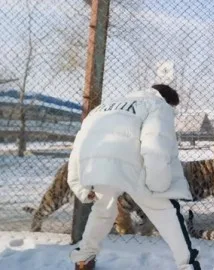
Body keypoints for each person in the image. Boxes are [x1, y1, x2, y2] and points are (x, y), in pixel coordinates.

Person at [67, 84, 201, 270]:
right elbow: (155, 145)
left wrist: (78, 184)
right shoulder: (158, 105)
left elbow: (78, 146)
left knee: (102, 211)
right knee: (166, 213)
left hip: (98, 167)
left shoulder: (102, 108)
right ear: (167, 100)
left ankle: (84, 259)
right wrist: (158, 186)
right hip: (134, 167)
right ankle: (187, 265)